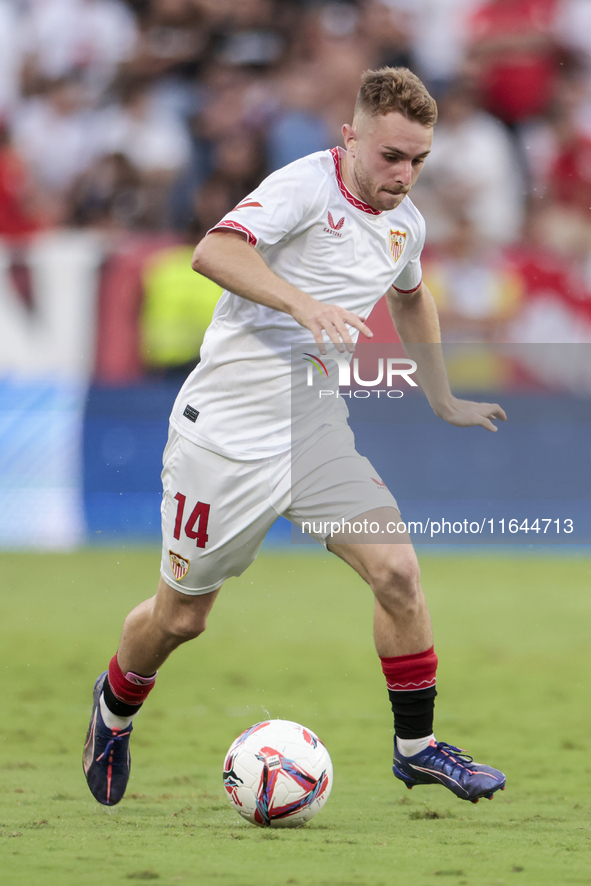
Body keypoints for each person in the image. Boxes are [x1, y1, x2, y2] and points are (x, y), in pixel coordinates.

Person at [83, 67, 507, 809]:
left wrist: (439, 393)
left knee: (399, 574)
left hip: (311, 430)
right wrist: (302, 303)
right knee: (181, 617)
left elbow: (411, 298)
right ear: (350, 138)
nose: (403, 175)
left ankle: (417, 749)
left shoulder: (406, 222)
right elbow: (213, 251)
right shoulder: (302, 187)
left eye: (418, 161)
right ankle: (113, 712)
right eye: (390, 157)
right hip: (223, 438)